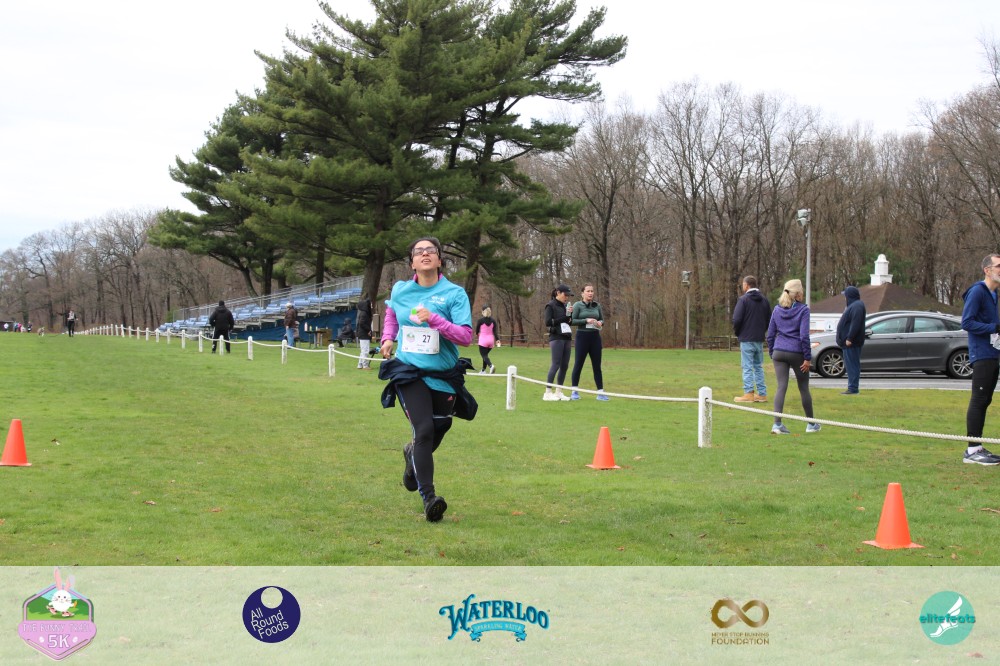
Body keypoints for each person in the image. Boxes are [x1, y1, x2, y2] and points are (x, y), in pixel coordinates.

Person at [378, 237, 475, 522]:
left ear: (439, 259)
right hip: (409, 371)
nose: (424, 254)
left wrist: (434, 319)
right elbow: (392, 313)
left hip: (443, 375)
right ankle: (430, 498)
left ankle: (412, 460)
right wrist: (387, 338)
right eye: (418, 251)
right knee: (423, 430)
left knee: (437, 429)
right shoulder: (401, 290)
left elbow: (465, 337)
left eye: (430, 250)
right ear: (412, 262)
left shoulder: (454, 294)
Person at [960, 254, 1000, 465]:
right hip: (981, 353)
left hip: (993, 353)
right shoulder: (977, 291)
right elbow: (966, 322)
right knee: (978, 399)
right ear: (987, 270)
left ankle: (978, 447)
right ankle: (972, 451)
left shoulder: (994, 294)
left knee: (985, 400)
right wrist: (994, 328)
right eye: (999, 266)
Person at [766, 279, 819, 434]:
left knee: (781, 387)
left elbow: (770, 334)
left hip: (779, 351)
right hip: (797, 352)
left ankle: (777, 424)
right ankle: (811, 424)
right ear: (798, 294)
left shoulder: (777, 310)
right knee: (803, 388)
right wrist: (807, 358)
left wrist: (772, 352)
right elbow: (804, 336)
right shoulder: (804, 310)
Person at [732, 275, 771, 403]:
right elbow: (769, 319)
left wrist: (738, 332)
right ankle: (762, 394)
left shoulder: (743, 300)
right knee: (758, 366)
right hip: (759, 338)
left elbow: (737, 319)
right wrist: (762, 331)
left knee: (747, 366)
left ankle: (748, 393)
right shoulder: (764, 300)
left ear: (746, 285)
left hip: (746, 338)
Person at [569, 284, 609, 401]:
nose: (590, 293)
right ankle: (574, 391)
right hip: (582, 337)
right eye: (588, 291)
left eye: (592, 291)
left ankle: (600, 393)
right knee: (578, 364)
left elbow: (602, 320)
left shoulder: (597, 305)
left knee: (597, 366)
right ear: (582, 293)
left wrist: (600, 322)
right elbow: (572, 321)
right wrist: (586, 320)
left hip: (595, 337)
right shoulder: (577, 305)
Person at [542, 285, 574, 401]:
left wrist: (570, 316)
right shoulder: (550, 305)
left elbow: (569, 322)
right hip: (556, 337)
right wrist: (563, 319)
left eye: (568, 296)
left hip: (566, 337)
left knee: (564, 365)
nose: (567, 297)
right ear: (558, 293)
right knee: (555, 364)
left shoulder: (565, 306)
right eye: (565, 295)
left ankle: (559, 391)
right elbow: (548, 322)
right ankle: (547, 392)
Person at [835, 285, 867, 395]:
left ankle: (853, 388)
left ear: (850, 296)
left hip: (851, 343)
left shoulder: (857, 306)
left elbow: (855, 323)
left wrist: (849, 338)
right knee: (850, 365)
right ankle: (852, 387)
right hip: (848, 343)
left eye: (846, 296)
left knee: (852, 365)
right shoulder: (854, 306)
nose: (845, 298)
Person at [474, 305, 499, 374]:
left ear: (483, 312)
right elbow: (495, 332)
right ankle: (483, 370)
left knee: (484, 355)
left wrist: (477, 334)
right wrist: (497, 340)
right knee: (485, 356)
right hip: (491, 341)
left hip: (483, 341)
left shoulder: (480, 321)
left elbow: (477, 331)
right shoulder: (493, 321)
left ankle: (491, 366)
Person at [356, 292, 373, 369]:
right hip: (364, 334)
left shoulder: (364, 313)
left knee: (363, 350)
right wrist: (368, 330)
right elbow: (362, 323)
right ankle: (365, 365)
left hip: (363, 334)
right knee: (365, 350)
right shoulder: (364, 314)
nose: (371, 305)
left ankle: (360, 364)